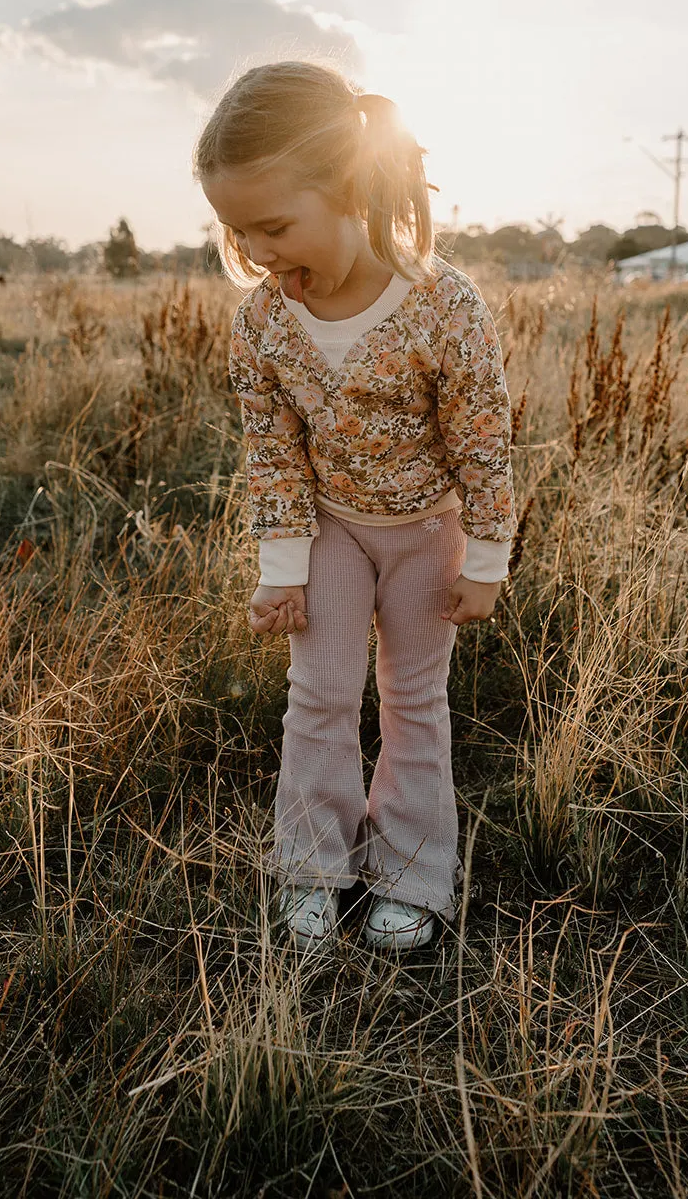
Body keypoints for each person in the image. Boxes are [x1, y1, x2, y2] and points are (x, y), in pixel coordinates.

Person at [193, 60, 516, 952]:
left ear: (346, 189)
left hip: (426, 535)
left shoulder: (442, 304)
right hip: (329, 531)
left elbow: (482, 442)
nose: (256, 251)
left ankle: (412, 876)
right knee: (318, 698)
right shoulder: (262, 323)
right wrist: (280, 569)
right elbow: (272, 450)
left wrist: (485, 561)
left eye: (274, 225)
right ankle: (312, 868)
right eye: (236, 230)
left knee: (414, 701)